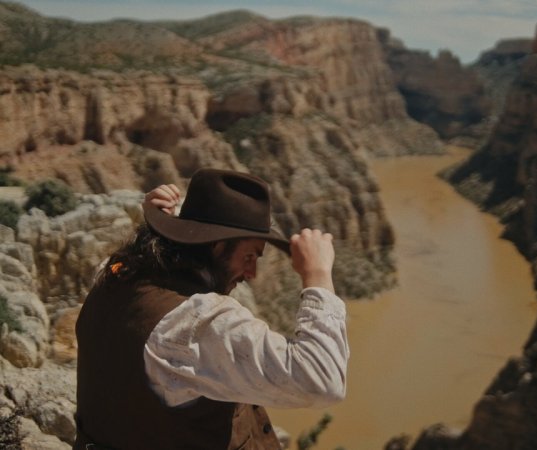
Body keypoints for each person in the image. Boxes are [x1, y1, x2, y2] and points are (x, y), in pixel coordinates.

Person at [73, 168, 349, 450]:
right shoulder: (194, 324)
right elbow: (322, 381)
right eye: (249, 256)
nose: (252, 273)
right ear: (217, 246)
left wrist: (160, 226)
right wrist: (317, 276)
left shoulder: (116, 274)